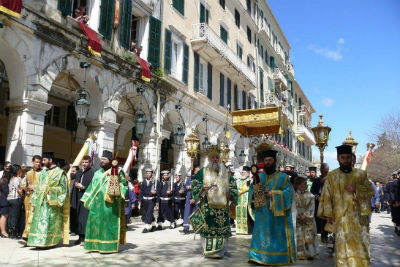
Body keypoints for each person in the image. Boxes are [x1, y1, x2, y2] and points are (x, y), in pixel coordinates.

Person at [318, 145, 374, 267]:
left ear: (352, 159)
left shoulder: (361, 174)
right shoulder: (332, 176)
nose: (346, 160)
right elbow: (326, 196)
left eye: (348, 157)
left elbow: (371, 192)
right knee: (342, 245)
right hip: (340, 217)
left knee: (360, 244)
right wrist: (328, 214)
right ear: (338, 159)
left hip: (358, 217)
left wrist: (356, 189)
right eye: (343, 158)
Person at [248, 149, 296, 265]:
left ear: (275, 161)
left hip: (277, 216)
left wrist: (274, 194)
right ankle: (257, 256)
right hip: (262, 213)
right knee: (261, 234)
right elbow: (251, 192)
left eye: (270, 160)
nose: (267, 162)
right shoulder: (258, 176)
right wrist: (255, 193)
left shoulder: (283, 177)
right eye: (265, 160)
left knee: (276, 236)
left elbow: (289, 194)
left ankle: (277, 257)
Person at [191, 146, 238, 258]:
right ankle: (206, 249)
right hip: (207, 206)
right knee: (207, 228)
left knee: (220, 229)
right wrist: (203, 187)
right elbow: (194, 184)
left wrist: (230, 193)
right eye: (213, 157)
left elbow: (233, 186)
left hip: (222, 208)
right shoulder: (203, 171)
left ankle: (221, 250)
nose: (215, 159)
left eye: (217, 157)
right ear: (209, 158)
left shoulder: (226, 172)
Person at [81, 150, 128, 253]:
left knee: (107, 224)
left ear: (110, 161)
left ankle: (108, 246)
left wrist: (116, 189)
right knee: (95, 224)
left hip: (110, 204)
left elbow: (124, 185)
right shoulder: (97, 173)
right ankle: (94, 245)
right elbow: (91, 187)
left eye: (104, 159)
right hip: (96, 205)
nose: (101, 161)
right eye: (101, 159)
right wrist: (85, 199)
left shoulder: (117, 172)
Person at [27, 152, 69, 247]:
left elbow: (63, 189)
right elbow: (38, 186)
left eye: (44, 160)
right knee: (39, 222)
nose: (42, 162)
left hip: (51, 203)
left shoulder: (60, 173)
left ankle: (50, 242)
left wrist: (50, 190)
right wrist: (34, 199)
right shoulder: (44, 173)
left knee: (49, 223)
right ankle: (37, 241)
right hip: (41, 202)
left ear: (50, 160)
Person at [70, 156, 95, 246]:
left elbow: (93, 186)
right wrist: (77, 184)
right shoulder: (80, 171)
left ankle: (84, 238)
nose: (84, 164)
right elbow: (76, 180)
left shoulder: (92, 173)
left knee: (84, 218)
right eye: (83, 162)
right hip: (78, 197)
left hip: (86, 198)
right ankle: (79, 237)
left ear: (90, 162)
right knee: (78, 217)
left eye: (86, 162)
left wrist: (83, 187)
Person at [294, 176, 317, 260]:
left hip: (308, 219)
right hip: (298, 219)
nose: (306, 186)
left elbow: (312, 207)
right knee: (299, 236)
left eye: (306, 184)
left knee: (309, 237)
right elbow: (293, 207)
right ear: (298, 185)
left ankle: (310, 253)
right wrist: (297, 216)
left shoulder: (311, 196)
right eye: (304, 184)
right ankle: (300, 254)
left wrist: (305, 216)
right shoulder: (293, 196)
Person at [21, 155, 42, 242]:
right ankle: (28, 237)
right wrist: (26, 187)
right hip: (28, 198)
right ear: (32, 162)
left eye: (39, 162)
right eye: (37, 162)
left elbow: (44, 186)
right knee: (27, 216)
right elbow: (23, 185)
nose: (38, 164)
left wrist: (35, 187)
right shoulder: (28, 173)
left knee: (34, 217)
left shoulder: (43, 173)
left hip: (37, 198)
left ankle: (27, 236)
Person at [310, 162, 329, 243]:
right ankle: (318, 235)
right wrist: (317, 197)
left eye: (325, 170)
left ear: (328, 170)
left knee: (326, 220)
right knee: (318, 219)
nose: (324, 171)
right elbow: (312, 192)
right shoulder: (316, 180)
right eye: (322, 169)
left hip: (328, 204)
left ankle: (325, 235)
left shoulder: (331, 179)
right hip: (318, 204)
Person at [235, 166, 254, 235]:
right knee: (239, 214)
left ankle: (248, 230)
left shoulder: (250, 180)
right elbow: (235, 187)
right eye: (242, 172)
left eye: (244, 172)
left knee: (247, 214)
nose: (242, 173)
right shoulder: (238, 180)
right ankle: (240, 230)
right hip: (239, 200)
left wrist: (238, 191)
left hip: (247, 200)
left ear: (248, 173)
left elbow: (247, 188)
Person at [7, 168, 25, 238]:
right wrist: (23, 196)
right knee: (15, 216)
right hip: (15, 198)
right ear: (17, 171)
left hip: (9, 198)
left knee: (11, 215)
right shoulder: (17, 179)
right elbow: (19, 190)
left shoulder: (11, 178)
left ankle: (10, 231)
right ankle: (14, 233)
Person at [139, 168, 158, 233]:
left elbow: (159, 192)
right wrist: (140, 199)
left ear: (152, 174)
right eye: (147, 173)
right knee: (147, 213)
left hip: (151, 200)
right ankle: (153, 225)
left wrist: (155, 194)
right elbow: (141, 191)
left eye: (149, 173)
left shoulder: (155, 182)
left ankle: (147, 227)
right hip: (145, 200)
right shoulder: (144, 181)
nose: (148, 174)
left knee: (149, 213)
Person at [182, 165, 200, 234]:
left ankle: (197, 227)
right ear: (194, 171)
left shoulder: (201, 179)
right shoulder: (189, 178)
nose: (198, 172)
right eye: (197, 171)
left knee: (197, 212)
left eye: (199, 171)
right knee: (187, 212)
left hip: (197, 197)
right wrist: (189, 187)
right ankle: (186, 227)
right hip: (189, 196)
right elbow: (186, 186)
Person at [0, 171, 10, 238]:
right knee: (4, 216)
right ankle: (3, 231)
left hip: (2, 200)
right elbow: (6, 192)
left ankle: (3, 231)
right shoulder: (5, 182)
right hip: (4, 201)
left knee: (3, 216)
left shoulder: (2, 181)